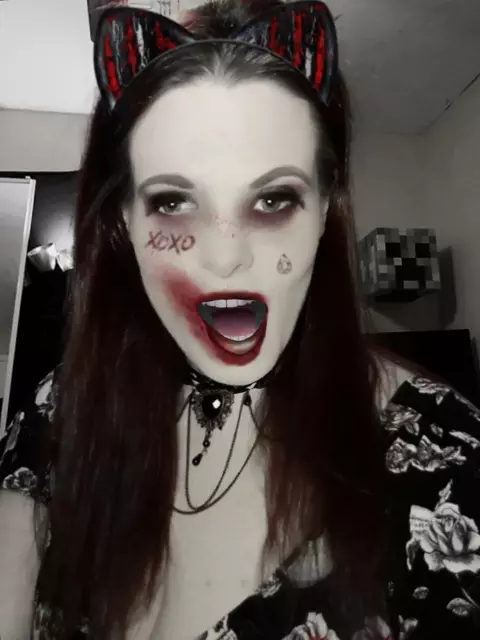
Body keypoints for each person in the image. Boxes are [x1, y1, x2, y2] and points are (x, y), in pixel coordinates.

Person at [1, 0, 480, 638]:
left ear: (325, 210)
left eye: (274, 198)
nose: (226, 258)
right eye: (174, 201)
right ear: (123, 222)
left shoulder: (450, 465)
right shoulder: (59, 409)